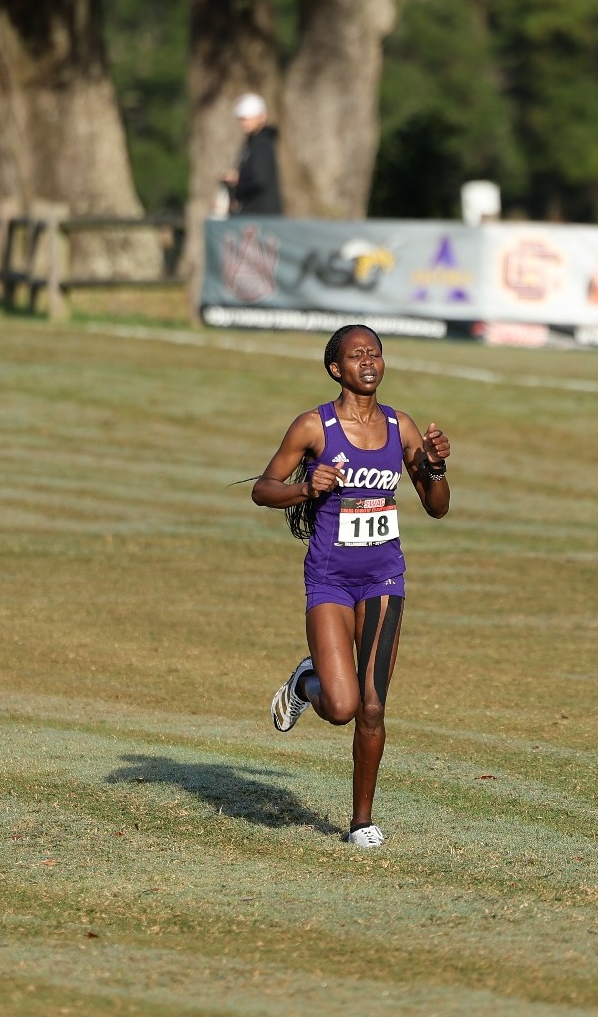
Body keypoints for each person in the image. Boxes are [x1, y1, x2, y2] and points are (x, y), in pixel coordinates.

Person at [252, 324, 451, 848]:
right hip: (330, 578)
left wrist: (435, 466)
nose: (368, 361)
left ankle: (361, 822)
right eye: (356, 355)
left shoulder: (400, 426)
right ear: (336, 368)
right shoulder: (313, 427)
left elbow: (437, 506)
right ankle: (305, 683)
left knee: (373, 705)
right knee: (340, 708)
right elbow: (262, 489)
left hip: (384, 577)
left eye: (376, 353)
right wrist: (303, 487)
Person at [221, 93, 283, 215]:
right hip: (255, 215)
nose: (244, 122)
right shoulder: (252, 143)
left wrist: (240, 183)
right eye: (241, 118)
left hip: (261, 217)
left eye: (248, 118)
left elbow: (260, 179)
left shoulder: (262, 144)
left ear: (262, 117)